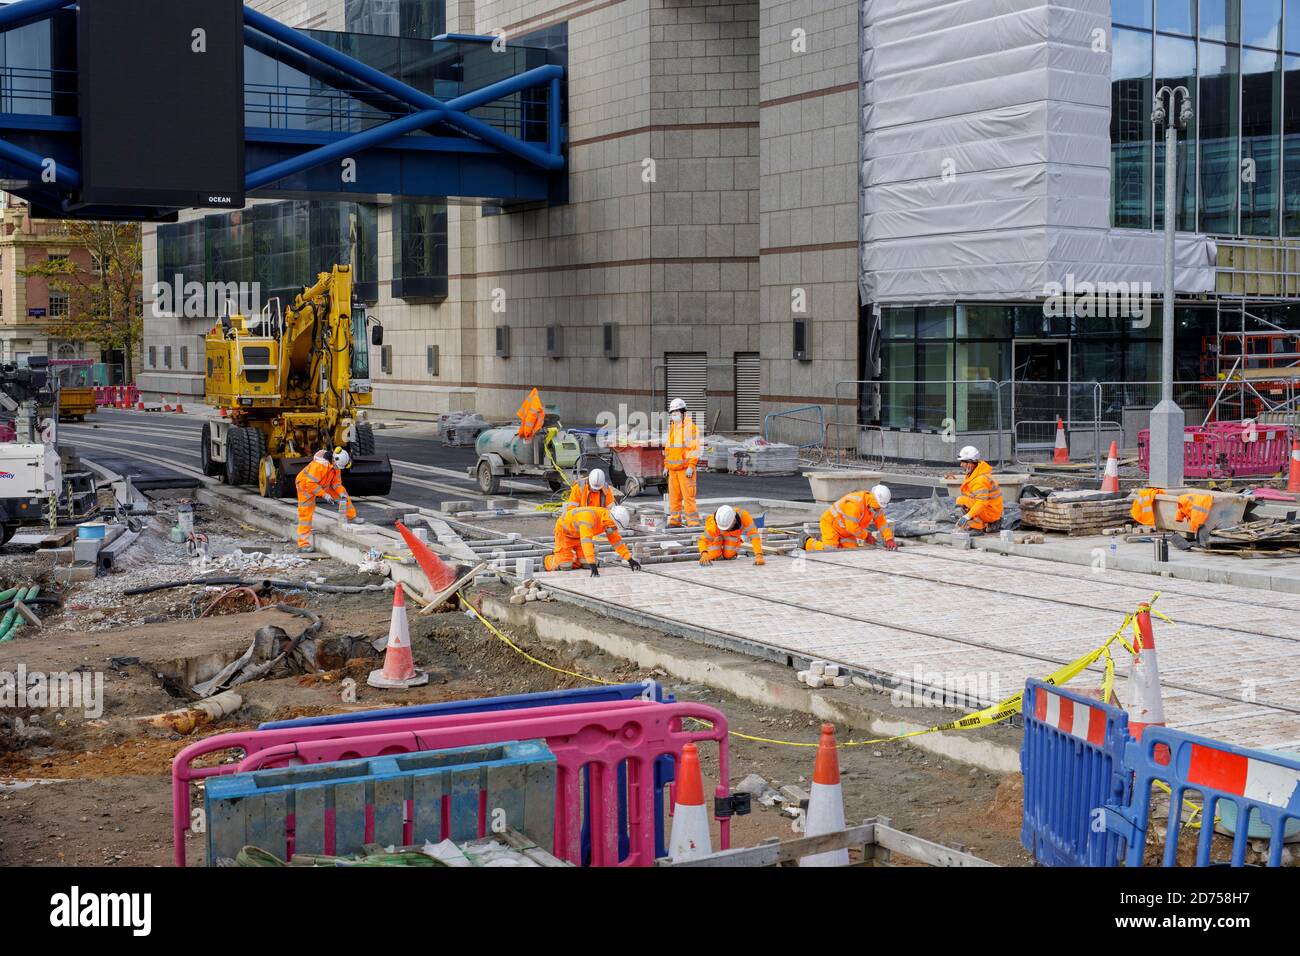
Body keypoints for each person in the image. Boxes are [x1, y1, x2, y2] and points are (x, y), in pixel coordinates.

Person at [544, 504, 643, 575]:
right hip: (565, 533)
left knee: (585, 564)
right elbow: (586, 541)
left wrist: (629, 559)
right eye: (614, 527)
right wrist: (592, 563)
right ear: (611, 520)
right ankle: (547, 560)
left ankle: (570, 558)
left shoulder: (608, 523)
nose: (614, 530)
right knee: (565, 566)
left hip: (579, 535)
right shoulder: (589, 518)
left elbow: (616, 542)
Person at [295, 447, 363, 552]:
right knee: (306, 515)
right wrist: (325, 495)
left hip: (322, 483)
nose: (338, 468)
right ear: (334, 460)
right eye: (337, 466)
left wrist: (340, 494)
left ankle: (351, 516)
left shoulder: (335, 465)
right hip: (305, 487)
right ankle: (303, 544)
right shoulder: (318, 466)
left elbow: (336, 483)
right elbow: (310, 484)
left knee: (343, 494)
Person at [805, 485, 897, 551]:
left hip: (846, 532)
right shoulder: (855, 504)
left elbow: (881, 523)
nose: (877, 511)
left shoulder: (875, 507)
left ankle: (828, 541)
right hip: (831, 525)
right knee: (830, 550)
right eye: (875, 508)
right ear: (872, 501)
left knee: (850, 551)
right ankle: (806, 542)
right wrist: (867, 536)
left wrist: (889, 539)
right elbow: (851, 527)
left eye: (879, 508)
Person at [664, 397, 701, 527]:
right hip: (673, 470)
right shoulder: (673, 428)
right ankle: (675, 521)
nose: (674, 416)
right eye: (672, 413)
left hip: (686, 470)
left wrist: (691, 466)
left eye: (676, 413)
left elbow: (695, 449)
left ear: (683, 413)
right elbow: (668, 448)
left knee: (688, 497)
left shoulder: (691, 428)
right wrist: (666, 466)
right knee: (674, 498)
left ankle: (693, 522)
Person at [954, 445, 1003, 533]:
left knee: (962, 502)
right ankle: (985, 524)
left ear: (970, 463)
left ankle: (976, 528)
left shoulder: (980, 479)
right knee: (962, 500)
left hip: (991, 513)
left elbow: (981, 502)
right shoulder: (976, 473)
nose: (961, 465)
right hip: (991, 510)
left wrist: (967, 516)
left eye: (962, 462)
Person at [698, 504, 764, 565]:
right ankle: (716, 554)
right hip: (716, 534)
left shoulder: (744, 517)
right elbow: (702, 540)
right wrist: (704, 553)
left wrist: (759, 555)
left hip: (733, 534)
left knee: (729, 554)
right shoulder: (714, 525)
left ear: (734, 520)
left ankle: (727, 554)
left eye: (727, 527)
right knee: (713, 554)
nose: (725, 529)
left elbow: (754, 535)